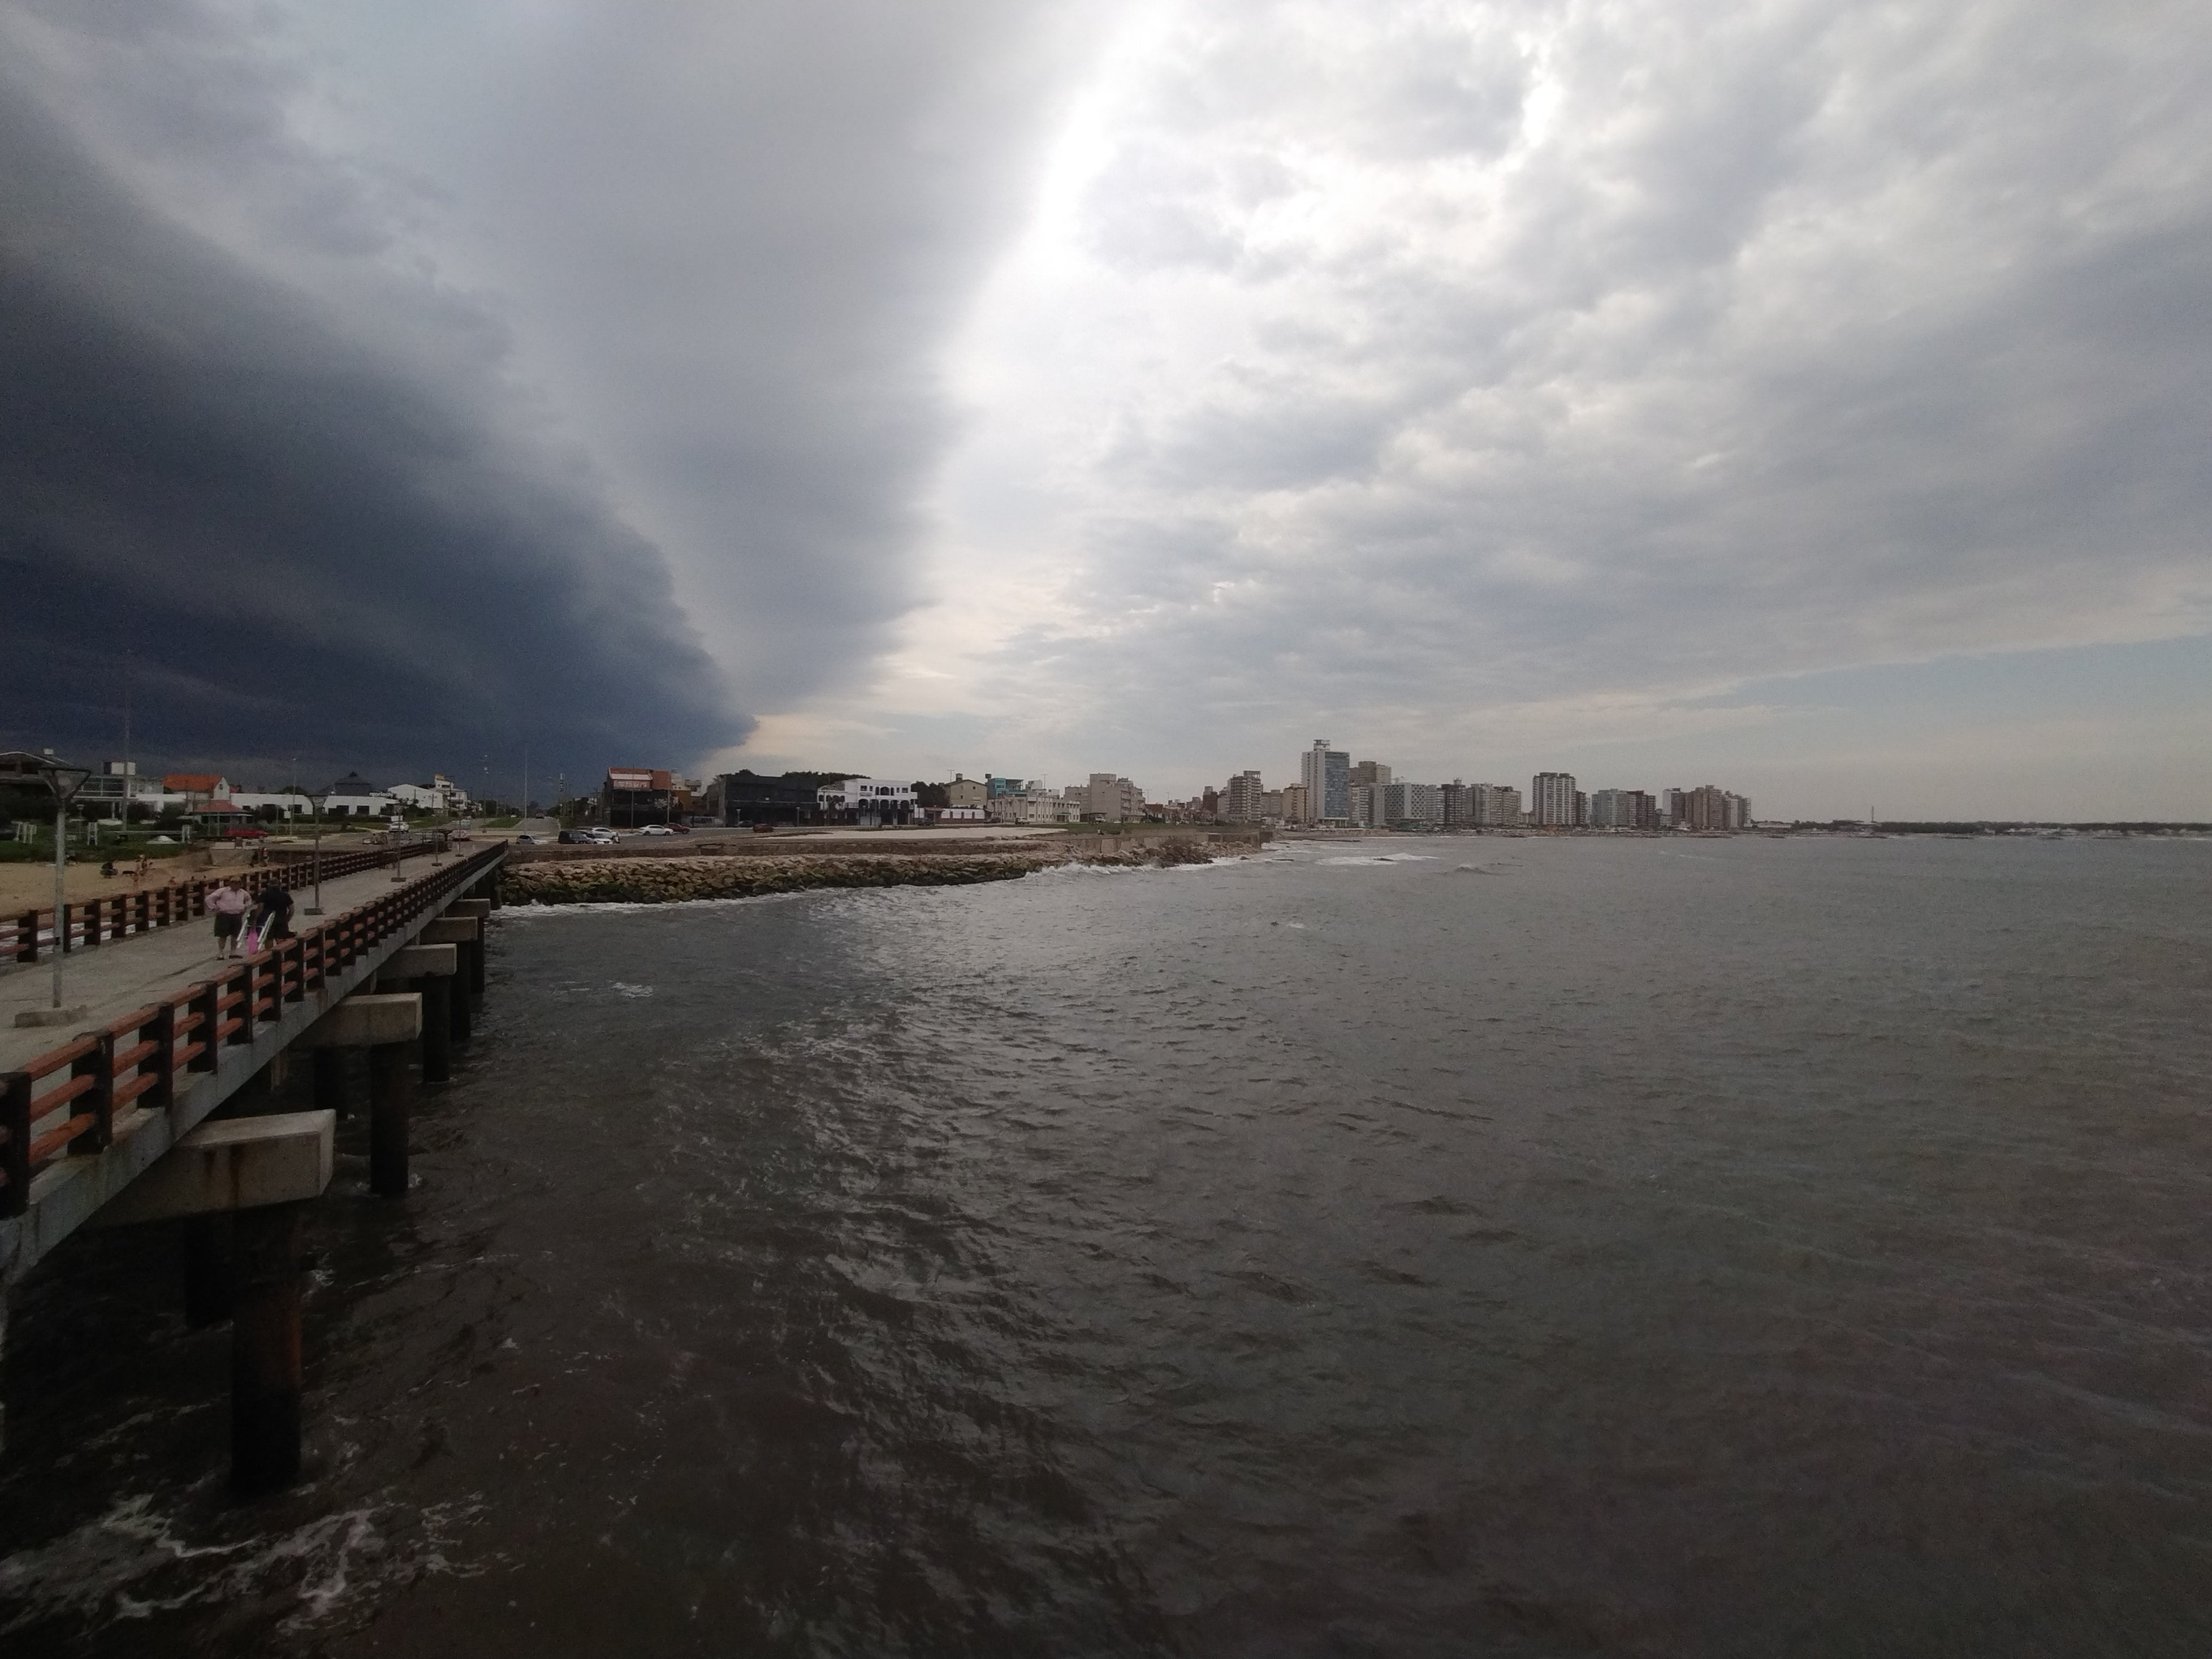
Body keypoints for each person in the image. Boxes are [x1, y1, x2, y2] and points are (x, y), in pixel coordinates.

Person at [208, 878, 249, 959]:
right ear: (230, 884)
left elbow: (249, 900)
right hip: (224, 915)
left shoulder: (243, 892)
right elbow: (209, 899)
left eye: (238, 883)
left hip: (237, 915)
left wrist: (245, 908)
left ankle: (233, 952)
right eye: (234, 883)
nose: (236, 885)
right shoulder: (222, 891)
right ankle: (221, 953)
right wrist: (214, 908)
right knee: (222, 935)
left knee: (235, 935)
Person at [251, 881, 295, 946]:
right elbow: (292, 910)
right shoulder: (285, 895)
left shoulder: (265, 895)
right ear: (280, 886)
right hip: (281, 920)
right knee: (282, 942)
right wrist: (287, 919)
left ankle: (270, 955)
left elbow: (260, 908)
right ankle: (280, 955)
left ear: (269, 886)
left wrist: (255, 919)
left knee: (269, 940)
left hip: (268, 921)